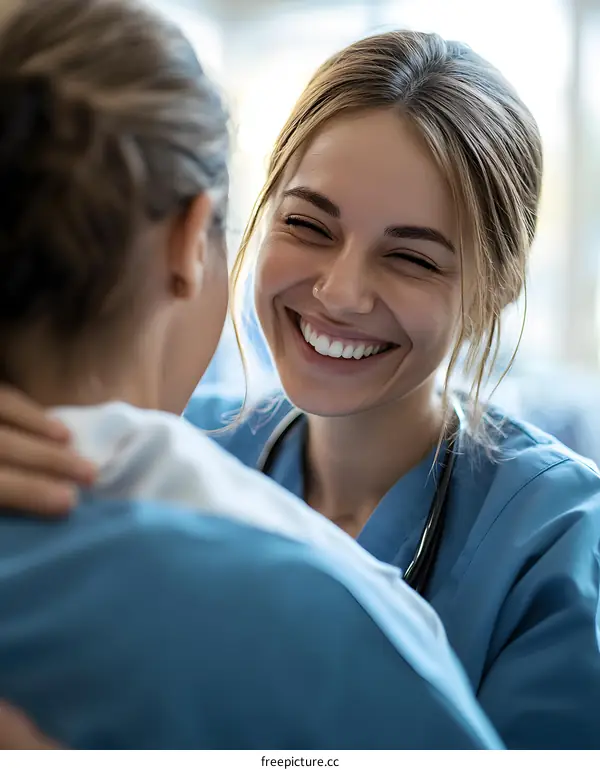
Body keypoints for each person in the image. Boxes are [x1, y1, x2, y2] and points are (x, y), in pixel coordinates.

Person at [0, 20, 598, 752]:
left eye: (411, 259)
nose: (341, 293)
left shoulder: (557, 538)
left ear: (494, 292)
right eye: (309, 225)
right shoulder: (175, 437)